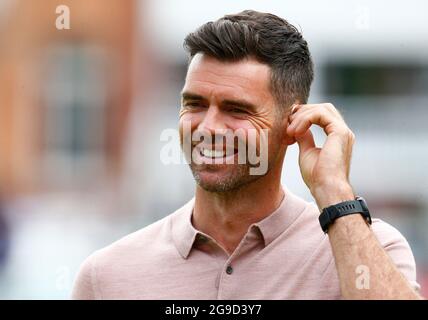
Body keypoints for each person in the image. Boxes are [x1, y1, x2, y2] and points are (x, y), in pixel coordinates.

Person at [72, 10, 422, 299]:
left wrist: (334, 192)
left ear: (293, 124)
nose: (208, 127)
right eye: (194, 104)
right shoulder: (107, 277)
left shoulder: (366, 250)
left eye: (236, 110)